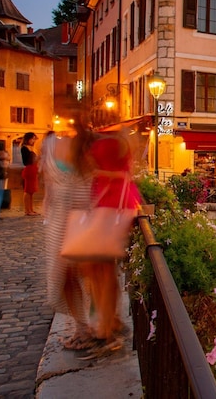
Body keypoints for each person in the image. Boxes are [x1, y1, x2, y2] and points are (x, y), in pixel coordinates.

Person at [82, 130, 142, 357]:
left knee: (101, 267)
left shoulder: (112, 140)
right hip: (113, 206)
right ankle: (110, 324)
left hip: (112, 207)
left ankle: (106, 331)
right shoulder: (118, 138)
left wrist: (97, 170)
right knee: (101, 267)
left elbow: (122, 172)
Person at [41, 121, 94, 352]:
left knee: (79, 277)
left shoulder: (84, 146)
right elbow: (49, 186)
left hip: (78, 220)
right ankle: (82, 327)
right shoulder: (52, 145)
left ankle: (87, 328)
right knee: (67, 279)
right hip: (61, 222)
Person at [20, 132, 41, 216]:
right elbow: (26, 161)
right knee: (27, 190)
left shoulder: (31, 148)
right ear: (28, 139)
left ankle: (31, 209)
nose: (33, 140)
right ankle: (27, 210)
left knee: (31, 191)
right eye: (32, 138)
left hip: (33, 169)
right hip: (29, 169)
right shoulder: (24, 148)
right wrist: (36, 158)